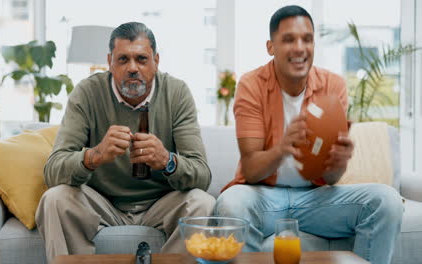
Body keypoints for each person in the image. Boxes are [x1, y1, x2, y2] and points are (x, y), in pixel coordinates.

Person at [213, 5, 403, 264]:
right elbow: (252, 168)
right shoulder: (251, 85)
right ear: (271, 47)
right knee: (230, 204)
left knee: (387, 201)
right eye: (289, 39)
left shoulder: (332, 86)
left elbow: (331, 179)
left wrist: (338, 164)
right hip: (263, 196)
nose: (300, 48)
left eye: (307, 39)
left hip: (316, 200)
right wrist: (282, 148)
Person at [35, 22, 215, 263]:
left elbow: (202, 175)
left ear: (156, 61)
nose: (132, 68)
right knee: (55, 198)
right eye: (123, 60)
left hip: (161, 203)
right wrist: (94, 156)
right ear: (109, 61)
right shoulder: (87, 92)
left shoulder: (176, 93)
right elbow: (53, 171)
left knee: (202, 203)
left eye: (141, 59)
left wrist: (167, 161)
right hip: (103, 204)